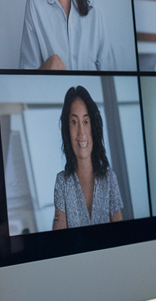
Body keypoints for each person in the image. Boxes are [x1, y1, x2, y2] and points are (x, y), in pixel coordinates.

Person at [52, 86, 124, 229]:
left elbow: (121, 232)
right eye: (74, 122)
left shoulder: (109, 177)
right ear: (67, 130)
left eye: (85, 122)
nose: (81, 133)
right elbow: (58, 239)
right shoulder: (62, 182)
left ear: (94, 127)